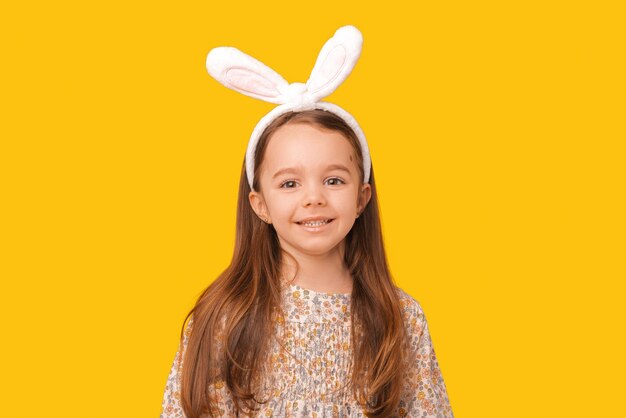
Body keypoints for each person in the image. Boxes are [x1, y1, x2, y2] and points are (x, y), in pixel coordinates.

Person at [160, 25, 453, 418]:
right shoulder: (225, 317)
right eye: (290, 183)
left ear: (362, 197)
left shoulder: (400, 319)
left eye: (333, 180)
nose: (314, 197)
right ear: (259, 204)